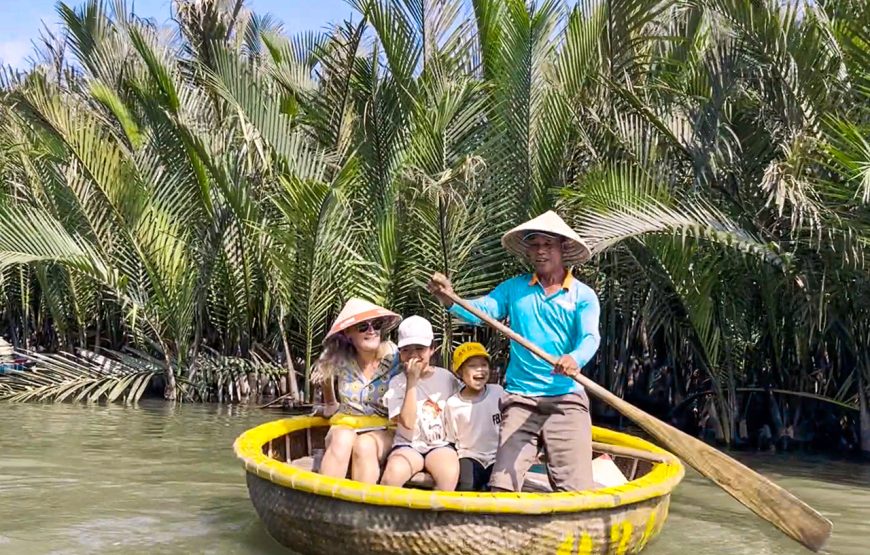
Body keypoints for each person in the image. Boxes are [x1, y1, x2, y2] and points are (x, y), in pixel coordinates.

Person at [428, 210, 600, 492]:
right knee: (502, 487)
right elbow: (481, 312)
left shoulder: (583, 295)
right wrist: (449, 299)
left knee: (577, 491)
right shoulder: (514, 288)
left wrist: (574, 358)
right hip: (521, 398)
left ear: (563, 249)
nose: (541, 251)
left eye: (548, 245)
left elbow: (591, 337)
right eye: (535, 245)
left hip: (566, 398)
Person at [312, 298, 402, 483]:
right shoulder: (338, 359)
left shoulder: (396, 356)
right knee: (343, 439)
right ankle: (325, 501)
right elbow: (325, 382)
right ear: (348, 334)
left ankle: (363, 507)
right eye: (362, 327)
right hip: (345, 425)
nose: (371, 330)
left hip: (383, 429)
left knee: (364, 445)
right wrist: (329, 405)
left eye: (376, 325)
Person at [380, 316, 461, 491]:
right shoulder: (397, 383)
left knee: (449, 474)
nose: (414, 355)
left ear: (432, 349)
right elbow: (407, 423)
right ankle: (388, 517)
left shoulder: (446, 378)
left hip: (440, 444)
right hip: (408, 445)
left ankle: (436, 518)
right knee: (391, 476)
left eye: (420, 348)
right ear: (400, 353)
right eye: (407, 350)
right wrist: (412, 382)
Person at [444, 342, 505, 491]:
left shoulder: (498, 392)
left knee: (500, 486)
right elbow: (451, 438)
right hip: (469, 455)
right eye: (472, 366)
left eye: (484, 365)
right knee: (467, 485)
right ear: (459, 372)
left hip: (496, 455)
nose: (480, 370)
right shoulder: (453, 404)